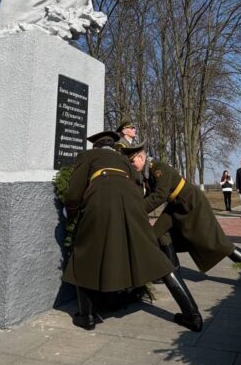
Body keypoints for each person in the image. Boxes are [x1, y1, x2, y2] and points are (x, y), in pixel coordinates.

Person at [62, 131, 202, 331]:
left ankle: (88, 316)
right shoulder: (124, 161)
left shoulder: (87, 156)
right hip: (133, 208)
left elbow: (74, 193)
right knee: (157, 259)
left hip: (99, 206)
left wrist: (72, 214)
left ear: (96, 147)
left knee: (83, 253)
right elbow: (138, 189)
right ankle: (193, 315)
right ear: (113, 146)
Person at [124, 143, 241, 298]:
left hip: (193, 204)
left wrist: (136, 210)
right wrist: (135, 209)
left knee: (220, 244)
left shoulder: (158, 167)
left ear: (141, 157)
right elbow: (149, 197)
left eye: (132, 161)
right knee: (157, 234)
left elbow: (160, 196)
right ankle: (172, 272)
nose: (132, 165)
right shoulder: (147, 173)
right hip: (176, 207)